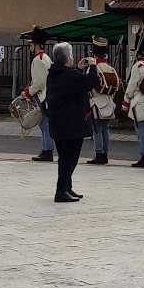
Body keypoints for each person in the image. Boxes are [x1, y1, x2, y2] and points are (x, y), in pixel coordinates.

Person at [46, 42, 98, 202]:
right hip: (71, 125)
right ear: (68, 59)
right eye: (72, 56)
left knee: (64, 158)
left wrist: (78, 68)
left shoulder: (54, 73)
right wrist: (93, 66)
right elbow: (90, 82)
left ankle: (67, 187)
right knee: (69, 159)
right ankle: (61, 191)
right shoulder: (70, 76)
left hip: (58, 124)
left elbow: (73, 82)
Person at [122, 34, 144, 168]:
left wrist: (126, 101)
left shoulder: (137, 66)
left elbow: (131, 86)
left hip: (139, 101)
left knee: (141, 131)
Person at [22, 26, 54, 162]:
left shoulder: (38, 59)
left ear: (37, 45)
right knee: (45, 124)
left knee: (44, 124)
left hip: (43, 96)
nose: (29, 47)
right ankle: (46, 149)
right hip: (48, 95)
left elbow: (40, 82)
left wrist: (28, 92)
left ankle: (47, 150)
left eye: (31, 44)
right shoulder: (45, 57)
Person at [87, 36, 117, 165]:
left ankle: (99, 153)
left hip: (96, 102)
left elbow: (88, 84)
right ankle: (105, 153)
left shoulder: (94, 68)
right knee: (105, 130)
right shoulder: (111, 68)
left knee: (97, 130)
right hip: (108, 102)